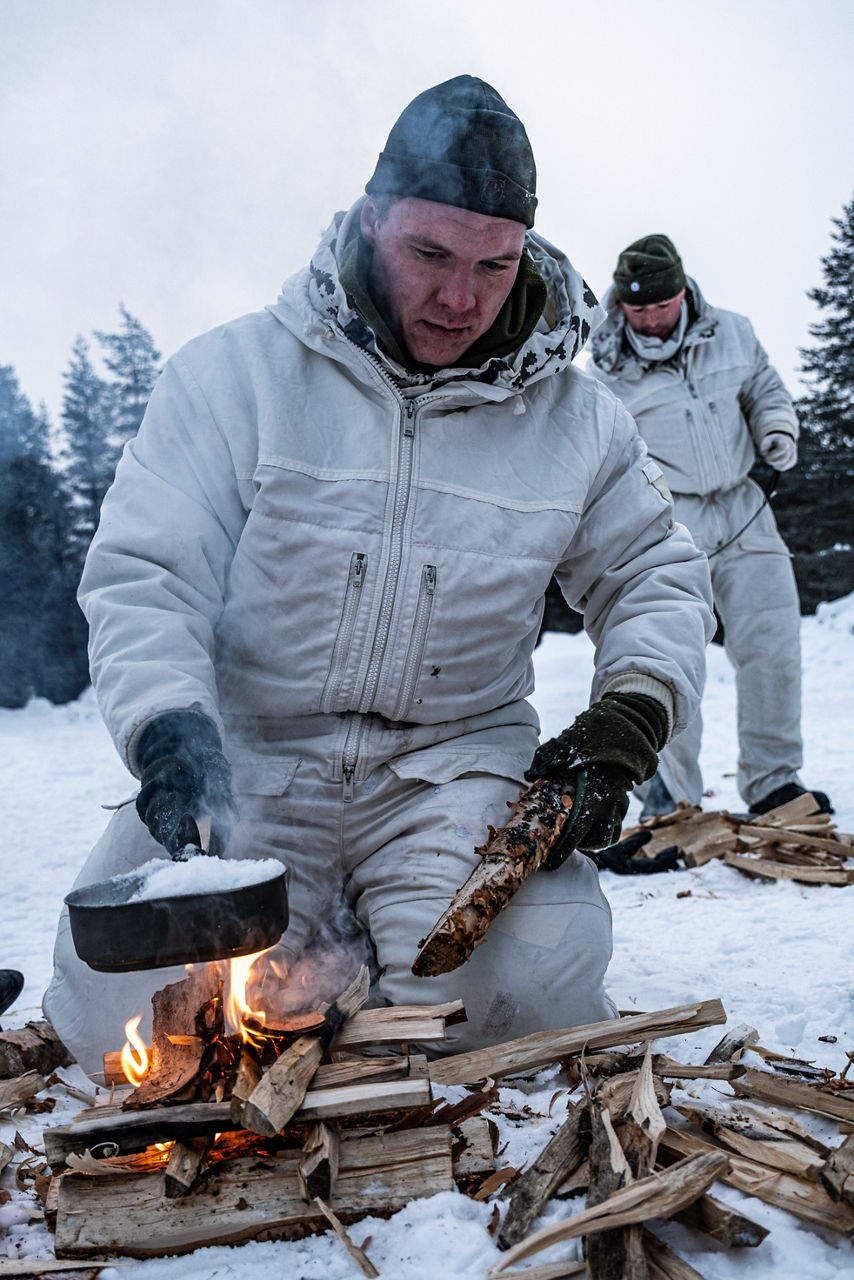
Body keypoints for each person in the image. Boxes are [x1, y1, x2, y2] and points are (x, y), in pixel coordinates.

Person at [44, 78, 713, 1078]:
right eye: (429, 255)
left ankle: (363, 945)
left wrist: (626, 720)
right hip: (249, 769)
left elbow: (655, 574)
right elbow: (148, 575)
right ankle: (323, 936)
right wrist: (171, 731)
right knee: (123, 1022)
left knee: (529, 996)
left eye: (493, 264)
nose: (459, 298)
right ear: (370, 221)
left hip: (453, 774)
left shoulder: (577, 423)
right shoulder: (234, 377)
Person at [588, 234, 831, 818]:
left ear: (683, 292)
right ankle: (670, 794)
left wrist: (777, 428)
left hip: (746, 507)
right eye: (637, 309)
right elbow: (597, 451)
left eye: (661, 306)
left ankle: (774, 782)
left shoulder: (734, 332)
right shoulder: (603, 372)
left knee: (771, 644)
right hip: (670, 518)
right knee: (673, 650)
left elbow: (764, 388)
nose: (649, 319)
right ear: (621, 305)